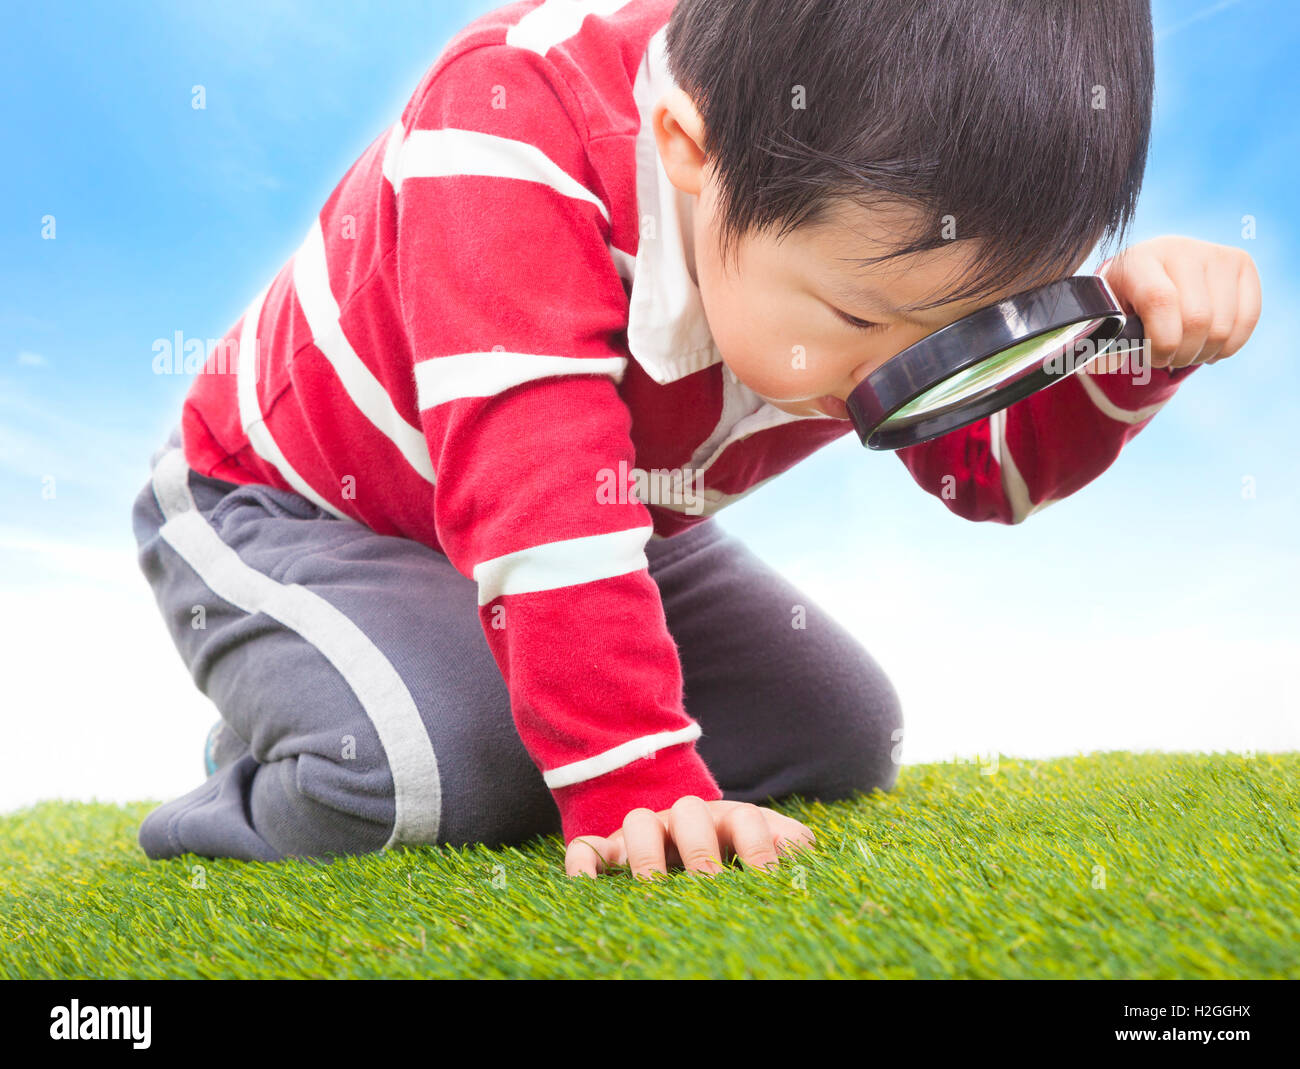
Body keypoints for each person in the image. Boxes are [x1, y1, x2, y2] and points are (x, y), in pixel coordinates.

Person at [130, 0, 1261, 880]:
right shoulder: (507, 125)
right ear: (686, 146)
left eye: (952, 336)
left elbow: (984, 474)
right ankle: (272, 755)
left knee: (838, 735)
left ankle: (446, 690)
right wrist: (631, 782)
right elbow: (538, 490)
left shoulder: (879, 230)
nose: (893, 378)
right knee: (430, 768)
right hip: (287, 504)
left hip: (606, 510)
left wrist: (1133, 353)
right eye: (859, 325)